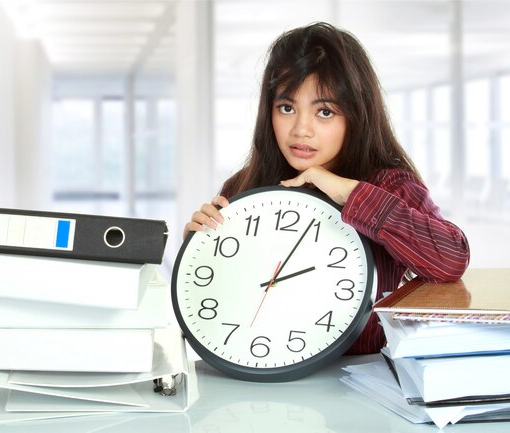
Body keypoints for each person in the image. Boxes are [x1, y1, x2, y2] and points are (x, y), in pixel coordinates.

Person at [182, 22, 470, 354]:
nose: (301, 130)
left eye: (324, 112)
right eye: (287, 108)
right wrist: (201, 247)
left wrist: (349, 192)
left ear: (356, 116)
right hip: (264, 374)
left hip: (363, 384)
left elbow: (450, 260)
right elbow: (222, 301)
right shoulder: (246, 186)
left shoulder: (391, 186)